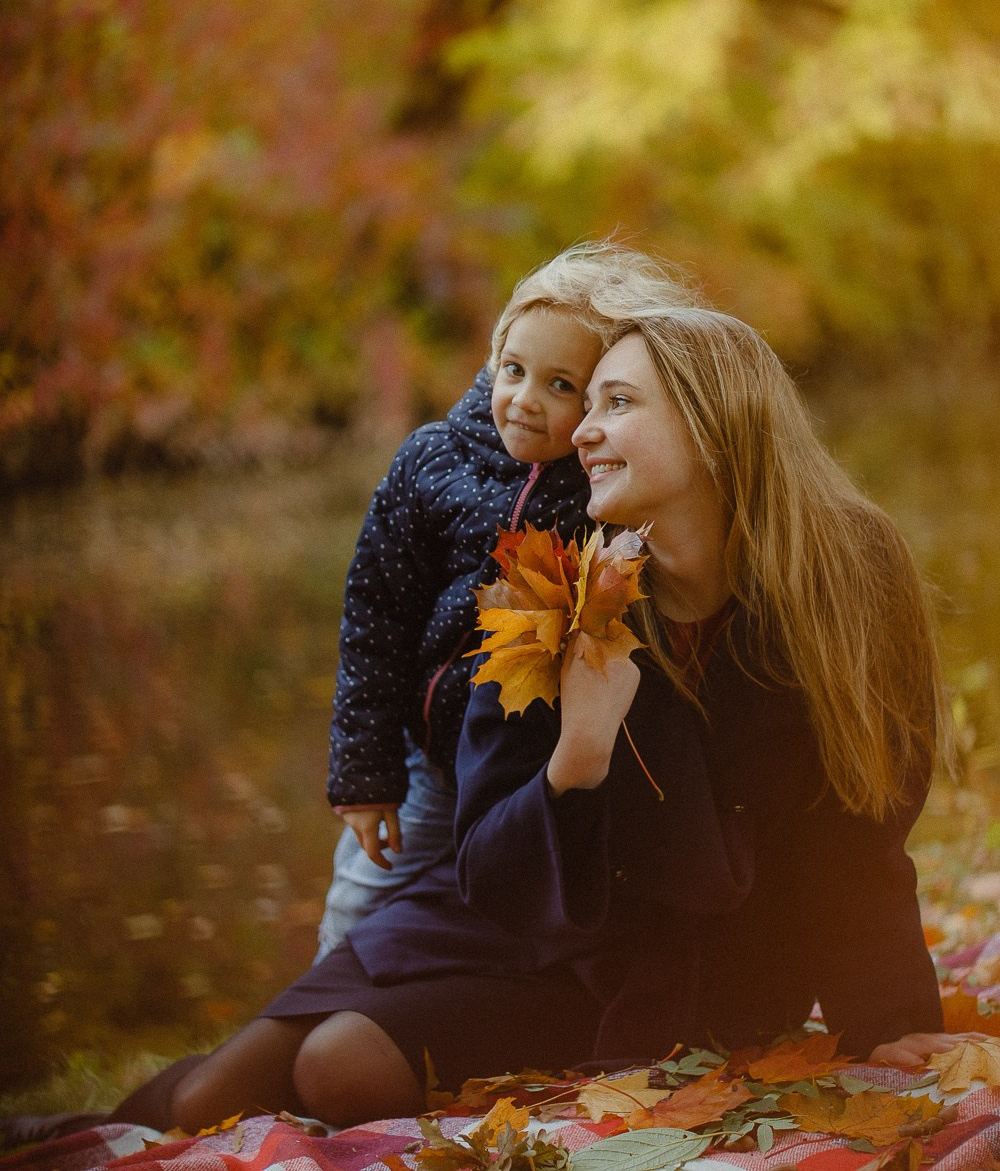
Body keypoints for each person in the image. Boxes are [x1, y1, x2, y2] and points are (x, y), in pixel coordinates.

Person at [107, 306, 969, 1139]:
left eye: (617, 403)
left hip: (683, 964)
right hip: (509, 905)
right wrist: (578, 755)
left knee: (340, 1066)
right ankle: (77, 1134)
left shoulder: (847, 574)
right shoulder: (553, 595)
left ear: (717, 422)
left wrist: (886, 1021)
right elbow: (487, 860)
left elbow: (863, 823)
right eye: (584, 404)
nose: (583, 432)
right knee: (210, 1096)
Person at [317, 242, 696, 955]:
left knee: (488, 919)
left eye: (561, 387)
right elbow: (374, 620)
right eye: (513, 370)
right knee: (362, 905)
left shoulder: (601, 492)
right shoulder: (431, 461)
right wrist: (367, 776)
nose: (524, 400)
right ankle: (306, 1015)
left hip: (522, 769)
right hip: (428, 764)